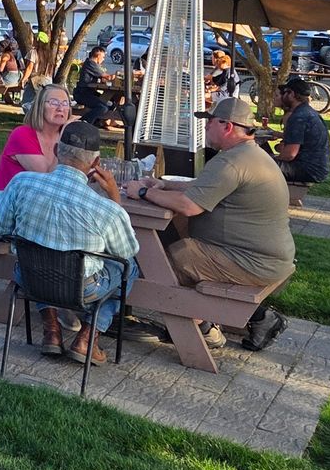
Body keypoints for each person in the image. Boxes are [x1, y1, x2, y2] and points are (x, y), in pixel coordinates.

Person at [124, 97, 293, 351]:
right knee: (174, 244)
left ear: (227, 126)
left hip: (253, 261)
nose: (205, 127)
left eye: (210, 122)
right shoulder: (248, 154)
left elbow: (190, 206)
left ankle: (200, 328)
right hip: (265, 257)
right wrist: (164, 185)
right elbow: (202, 188)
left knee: (173, 260)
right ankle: (250, 318)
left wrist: (143, 193)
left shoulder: (232, 162)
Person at [0, 121, 140, 363]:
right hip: (83, 288)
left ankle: (52, 331)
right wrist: (114, 196)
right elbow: (126, 251)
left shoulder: (21, 183)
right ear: (96, 163)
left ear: (57, 150)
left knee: (40, 256)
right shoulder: (106, 210)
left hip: (30, 277)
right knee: (130, 266)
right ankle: (88, 337)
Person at [0, 82, 71, 190]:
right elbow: (47, 178)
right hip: (8, 199)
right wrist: (65, 135)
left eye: (65, 103)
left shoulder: (66, 138)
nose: (60, 108)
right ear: (40, 106)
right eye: (54, 102)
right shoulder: (22, 135)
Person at [275, 77, 330, 185]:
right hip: (318, 168)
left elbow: (290, 154)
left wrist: (272, 158)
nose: (283, 96)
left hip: (307, 169)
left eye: (285, 92)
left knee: (257, 164)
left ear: (292, 94)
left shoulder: (298, 117)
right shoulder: (308, 112)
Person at [75, 46, 115, 127]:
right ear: (98, 55)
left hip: (90, 92)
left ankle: (99, 122)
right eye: (103, 57)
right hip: (82, 94)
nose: (103, 59)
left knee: (111, 104)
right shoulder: (91, 63)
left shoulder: (92, 64)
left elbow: (102, 78)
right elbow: (107, 77)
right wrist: (117, 76)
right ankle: (83, 122)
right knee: (103, 107)